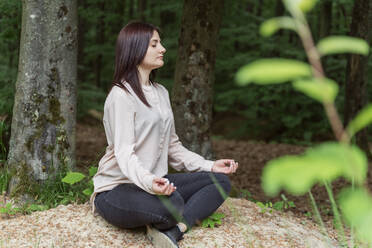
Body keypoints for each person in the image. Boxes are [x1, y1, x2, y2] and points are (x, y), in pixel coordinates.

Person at [90, 21, 238, 248]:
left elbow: (173, 147)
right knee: (173, 203)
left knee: (220, 182)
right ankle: (165, 217)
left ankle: (175, 231)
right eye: (154, 44)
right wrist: (150, 182)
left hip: (154, 182)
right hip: (117, 188)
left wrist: (209, 165)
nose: (163, 49)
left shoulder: (161, 92)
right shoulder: (121, 96)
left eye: (160, 43)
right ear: (135, 48)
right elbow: (124, 153)